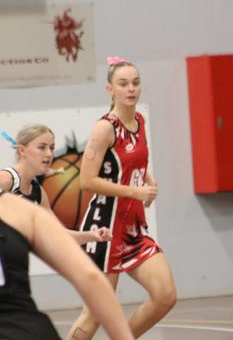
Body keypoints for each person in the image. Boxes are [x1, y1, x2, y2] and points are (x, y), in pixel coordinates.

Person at [66, 57, 176, 340]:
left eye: (136, 82)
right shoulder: (105, 128)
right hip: (105, 227)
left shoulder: (139, 119)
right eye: (123, 83)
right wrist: (134, 191)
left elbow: (133, 162)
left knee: (165, 295)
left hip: (133, 227)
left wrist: (148, 180)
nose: (131, 89)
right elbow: (87, 180)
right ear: (109, 90)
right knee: (95, 313)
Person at [0, 190, 134, 339]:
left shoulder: (32, 199)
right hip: (26, 329)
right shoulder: (17, 207)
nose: (48, 164)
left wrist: (90, 235)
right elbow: (90, 277)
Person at [0, 124, 111, 245]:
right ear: (22, 150)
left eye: (52, 148)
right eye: (42, 147)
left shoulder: (38, 193)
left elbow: (58, 234)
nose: (49, 154)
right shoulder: (6, 179)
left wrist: (91, 235)